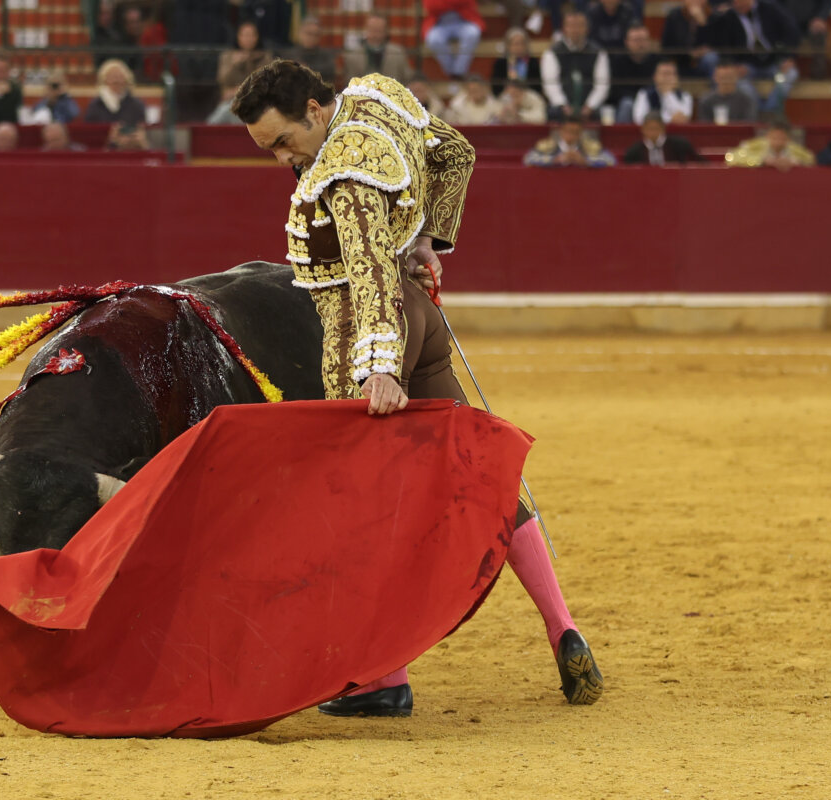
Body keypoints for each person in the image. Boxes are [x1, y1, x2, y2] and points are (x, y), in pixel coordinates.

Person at [230, 61, 604, 714]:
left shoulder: (341, 172)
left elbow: (370, 270)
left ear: (316, 110)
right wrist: (427, 238)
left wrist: (377, 364)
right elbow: (456, 153)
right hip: (423, 317)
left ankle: (383, 678)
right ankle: (561, 624)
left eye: (283, 141)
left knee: (360, 504)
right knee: (480, 470)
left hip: (365, 330)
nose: (281, 159)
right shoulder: (377, 95)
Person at [704, 0, 801, 115]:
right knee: (743, 86)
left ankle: (769, 111)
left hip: (774, 62)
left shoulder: (770, 9)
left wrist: (787, 57)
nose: (736, 3)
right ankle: (757, 113)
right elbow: (723, 46)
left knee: (790, 74)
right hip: (746, 66)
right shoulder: (729, 17)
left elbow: (792, 32)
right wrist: (734, 65)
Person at [541, 11, 610, 122]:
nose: (575, 30)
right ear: (564, 29)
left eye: (580, 26)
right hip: (561, 107)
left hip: (591, 107)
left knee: (604, 114)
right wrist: (563, 105)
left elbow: (602, 85)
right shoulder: (552, 53)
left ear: (587, 29)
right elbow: (551, 84)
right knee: (552, 113)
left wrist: (589, 106)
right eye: (572, 26)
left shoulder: (598, 52)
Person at [84, 58, 149, 150]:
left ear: (127, 79)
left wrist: (131, 138)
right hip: (103, 150)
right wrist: (110, 139)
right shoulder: (95, 105)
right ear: (104, 79)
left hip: (131, 148)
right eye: (112, 76)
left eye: (119, 76)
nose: (116, 80)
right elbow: (89, 134)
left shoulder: (137, 104)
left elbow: (141, 128)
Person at [343, 13, 414, 84]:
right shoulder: (353, 56)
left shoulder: (398, 53)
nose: (375, 35)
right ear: (366, 30)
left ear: (386, 31)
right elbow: (349, 84)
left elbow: (407, 80)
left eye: (379, 30)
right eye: (372, 30)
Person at [422, 0, 485, 80]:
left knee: (473, 33)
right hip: (440, 23)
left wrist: (443, 3)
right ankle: (451, 73)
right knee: (433, 39)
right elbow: (431, 6)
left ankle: (459, 72)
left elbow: (468, 2)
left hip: (463, 20)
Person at [609, 24, 658, 122]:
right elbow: (614, 91)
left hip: (652, 100)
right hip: (626, 102)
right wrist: (639, 99)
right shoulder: (617, 62)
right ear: (626, 42)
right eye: (636, 40)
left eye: (643, 40)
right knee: (627, 104)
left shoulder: (658, 61)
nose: (640, 44)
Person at [524, 114, 615, 166]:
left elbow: (611, 160)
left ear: (580, 133)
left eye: (575, 132)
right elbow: (528, 159)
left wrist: (585, 161)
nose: (571, 135)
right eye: (568, 131)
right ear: (561, 131)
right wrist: (555, 160)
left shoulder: (590, 147)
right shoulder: (547, 146)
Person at [725, 119, 814, 167]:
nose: (777, 141)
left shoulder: (795, 150)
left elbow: (811, 160)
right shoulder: (755, 145)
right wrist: (761, 161)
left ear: (788, 139)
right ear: (768, 136)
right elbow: (731, 158)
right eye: (774, 137)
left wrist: (794, 162)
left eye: (781, 138)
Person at [661, 0, 715, 77]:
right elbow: (666, 46)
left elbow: (715, 44)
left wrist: (703, 24)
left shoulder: (713, 16)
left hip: (704, 62)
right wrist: (689, 53)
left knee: (711, 58)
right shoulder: (674, 16)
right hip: (681, 61)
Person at [623, 111, 702, 163]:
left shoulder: (680, 145)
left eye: (656, 128)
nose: (652, 132)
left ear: (663, 129)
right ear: (642, 129)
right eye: (649, 129)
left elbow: (699, 163)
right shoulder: (634, 151)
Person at [632, 60, 693, 124]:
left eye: (671, 74)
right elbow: (639, 119)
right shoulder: (644, 94)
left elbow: (683, 118)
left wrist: (668, 94)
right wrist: (669, 119)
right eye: (664, 74)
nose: (668, 78)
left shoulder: (685, 96)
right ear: (655, 77)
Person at [780, 0, 831, 77]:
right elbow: (775, 3)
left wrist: (820, 17)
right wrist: (782, 18)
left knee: (819, 32)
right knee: (780, 31)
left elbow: (827, 3)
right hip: (788, 21)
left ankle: (817, 75)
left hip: (812, 22)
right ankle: (787, 72)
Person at [282, 14, 337, 84]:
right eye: (309, 34)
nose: (312, 38)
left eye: (316, 35)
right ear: (300, 33)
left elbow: (328, 73)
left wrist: (305, 68)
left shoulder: (325, 56)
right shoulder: (289, 55)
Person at [489, 28, 542, 98]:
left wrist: (522, 93)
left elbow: (537, 87)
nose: (519, 47)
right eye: (516, 44)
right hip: (506, 97)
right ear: (508, 46)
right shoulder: (500, 63)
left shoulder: (533, 62)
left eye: (522, 43)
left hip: (528, 97)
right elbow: (496, 88)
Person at [481, 78, 547, 124]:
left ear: (523, 92)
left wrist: (519, 115)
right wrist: (501, 115)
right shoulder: (504, 98)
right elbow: (489, 119)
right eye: (510, 95)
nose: (512, 98)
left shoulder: (534, 98)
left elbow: (541, 118)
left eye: (515, 94)